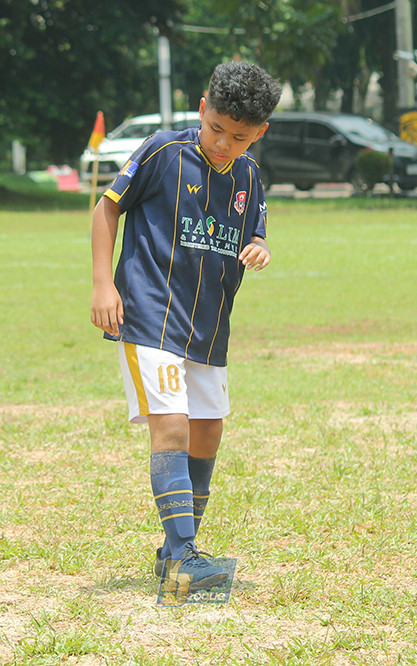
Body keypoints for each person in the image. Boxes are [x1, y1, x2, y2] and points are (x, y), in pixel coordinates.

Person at [90, 61, 281, 592]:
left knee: (208, 429)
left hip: (208, 326)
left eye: (239, 137)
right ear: (202, 109)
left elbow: (256, 231)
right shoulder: (163, 151)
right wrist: (103, 284)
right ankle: (183, 556)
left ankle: (176, 550)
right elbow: (108, 209)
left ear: (259, 133)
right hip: (149, 315)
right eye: (216, 128)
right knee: (172, 425)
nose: (223, 143)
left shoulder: (249, 176)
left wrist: (260, 248)